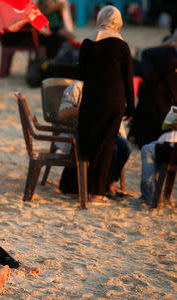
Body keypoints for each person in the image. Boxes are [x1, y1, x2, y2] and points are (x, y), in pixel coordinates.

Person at [77, 6, 135, 204]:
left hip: (90, 100)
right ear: (118, 22)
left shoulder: (87, 42)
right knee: (107, 144)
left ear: (100, 18)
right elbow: (128, 79)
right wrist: (131, 106)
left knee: (89, 141)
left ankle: (80, 188)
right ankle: (98, 193)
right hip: (114, 101)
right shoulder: (122, 46)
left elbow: (80, 75)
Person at [55, 80, 132, 199]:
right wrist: (90, 109)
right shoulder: (77, 87)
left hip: (106, 133)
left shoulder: (109, 87)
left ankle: (108, 183)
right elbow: (63, 113)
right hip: (80, 133)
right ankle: (95, 187)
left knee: (125, 147)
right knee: (111, 148)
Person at [131, 107, 177, 206]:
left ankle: (148, 196)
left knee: (147, 149)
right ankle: (155, 194)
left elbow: (166, 124)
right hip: (170, 149)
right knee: (154, 145)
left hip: (173, 152)